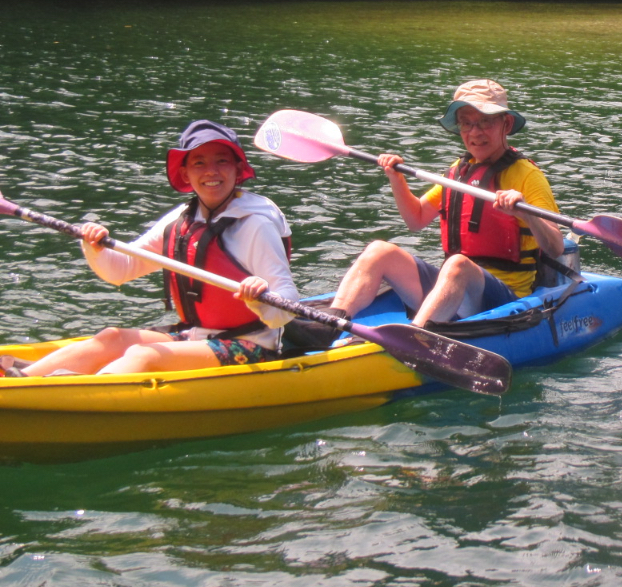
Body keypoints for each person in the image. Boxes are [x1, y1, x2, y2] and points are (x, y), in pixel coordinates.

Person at [5, 120, 298, 377]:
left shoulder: (256, 223)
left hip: (254, 343)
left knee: (144, 355)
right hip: (196, 336)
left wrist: (261, 298)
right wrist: (94, 246)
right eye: (199, 162)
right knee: (113, 338)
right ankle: (21, 378)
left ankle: (73, 393)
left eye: (221, 161)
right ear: (185, 174)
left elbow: (286, 308)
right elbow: (121, 270)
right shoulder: (182, 219)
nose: (211, 171)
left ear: (237, 168)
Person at [324, 79, 564, 330]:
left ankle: (414, 337)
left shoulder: (527, 175)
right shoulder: (459, 172)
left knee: (457, 263)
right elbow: (415, 219)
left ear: (506, 124)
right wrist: (396, 177)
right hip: (454, 287)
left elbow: (556, 247)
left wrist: (526, 212)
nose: (475, 132)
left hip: (503, 299)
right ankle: (330, 324)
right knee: (378, 250)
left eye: (486, 121)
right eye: (466, 123)